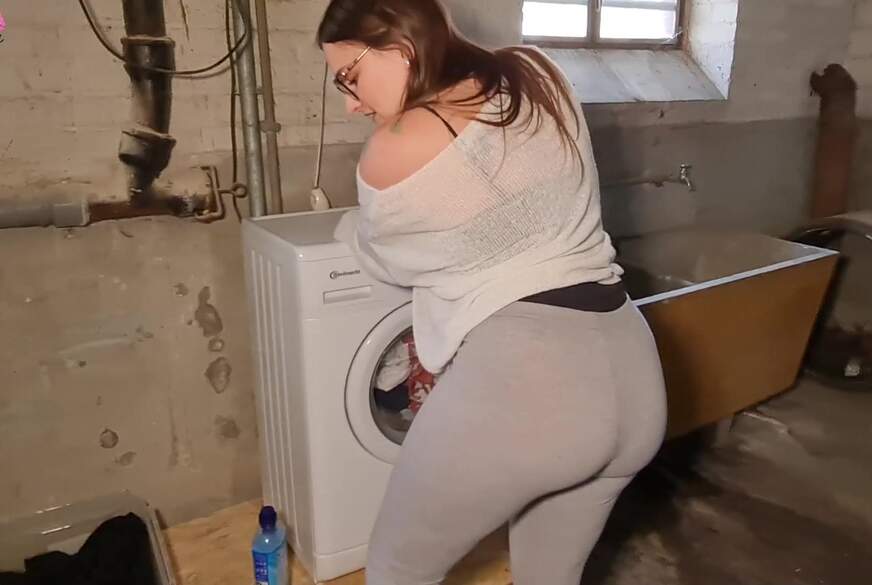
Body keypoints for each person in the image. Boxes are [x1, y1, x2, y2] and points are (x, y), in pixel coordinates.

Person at [318, 1, 668, 583]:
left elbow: (388, 263)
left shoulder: (395, 146)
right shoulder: (538, 71)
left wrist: (347, 228)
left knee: (396, 570)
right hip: (633, 370)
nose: (351, 103)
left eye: (348, 77)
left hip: (532, 388)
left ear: (399, 46)